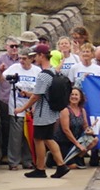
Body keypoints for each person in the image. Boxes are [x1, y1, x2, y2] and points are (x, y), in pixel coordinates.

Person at [19, 46, 73, 178]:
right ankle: (57, 166)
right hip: (52, 111)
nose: (34, 59)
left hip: (43, 112)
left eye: (35, 56)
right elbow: (43, 93)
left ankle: (44, 168)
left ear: (41, 56)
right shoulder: (54, 71)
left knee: (41, 139)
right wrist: (29, 94)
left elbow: (37, 96)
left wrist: (22, 108)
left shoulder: (43, 75)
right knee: (46, 139)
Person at [4, 45, 39, 171]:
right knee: (15, 137)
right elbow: (4, 78)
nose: (21, 61)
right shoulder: (14, 68)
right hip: (16, 107)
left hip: (31, 110)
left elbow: (39, 91)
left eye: (24, 58)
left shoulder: (37, 71)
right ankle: (13, 161)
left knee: (28, 136)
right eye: (20, 58)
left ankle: (28, 160)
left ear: (31, 58)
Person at [0, 37, 24, 170]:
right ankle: (7, 154)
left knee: (22, 128)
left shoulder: (22, 59)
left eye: (17, 46)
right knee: (7, 127)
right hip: (6, 98)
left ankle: (21, 155)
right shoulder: (1, 60)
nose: (15, 49)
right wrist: (0, 70)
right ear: (6, 47)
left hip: (22, 100)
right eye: (12, 46)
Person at [56, 85, 99, 176]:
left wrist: (89, 131)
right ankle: (53, 158)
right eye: (72, 94)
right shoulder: (65, 110)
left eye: (76, 95)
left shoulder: (82, 110)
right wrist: (77, 144)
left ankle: (78, 157)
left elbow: (85, 126)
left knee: (94, 139)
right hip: (65, 141)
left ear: (80, 98)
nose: (74, 97)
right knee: (72, 166)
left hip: (76, 140)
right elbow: (66, 130)